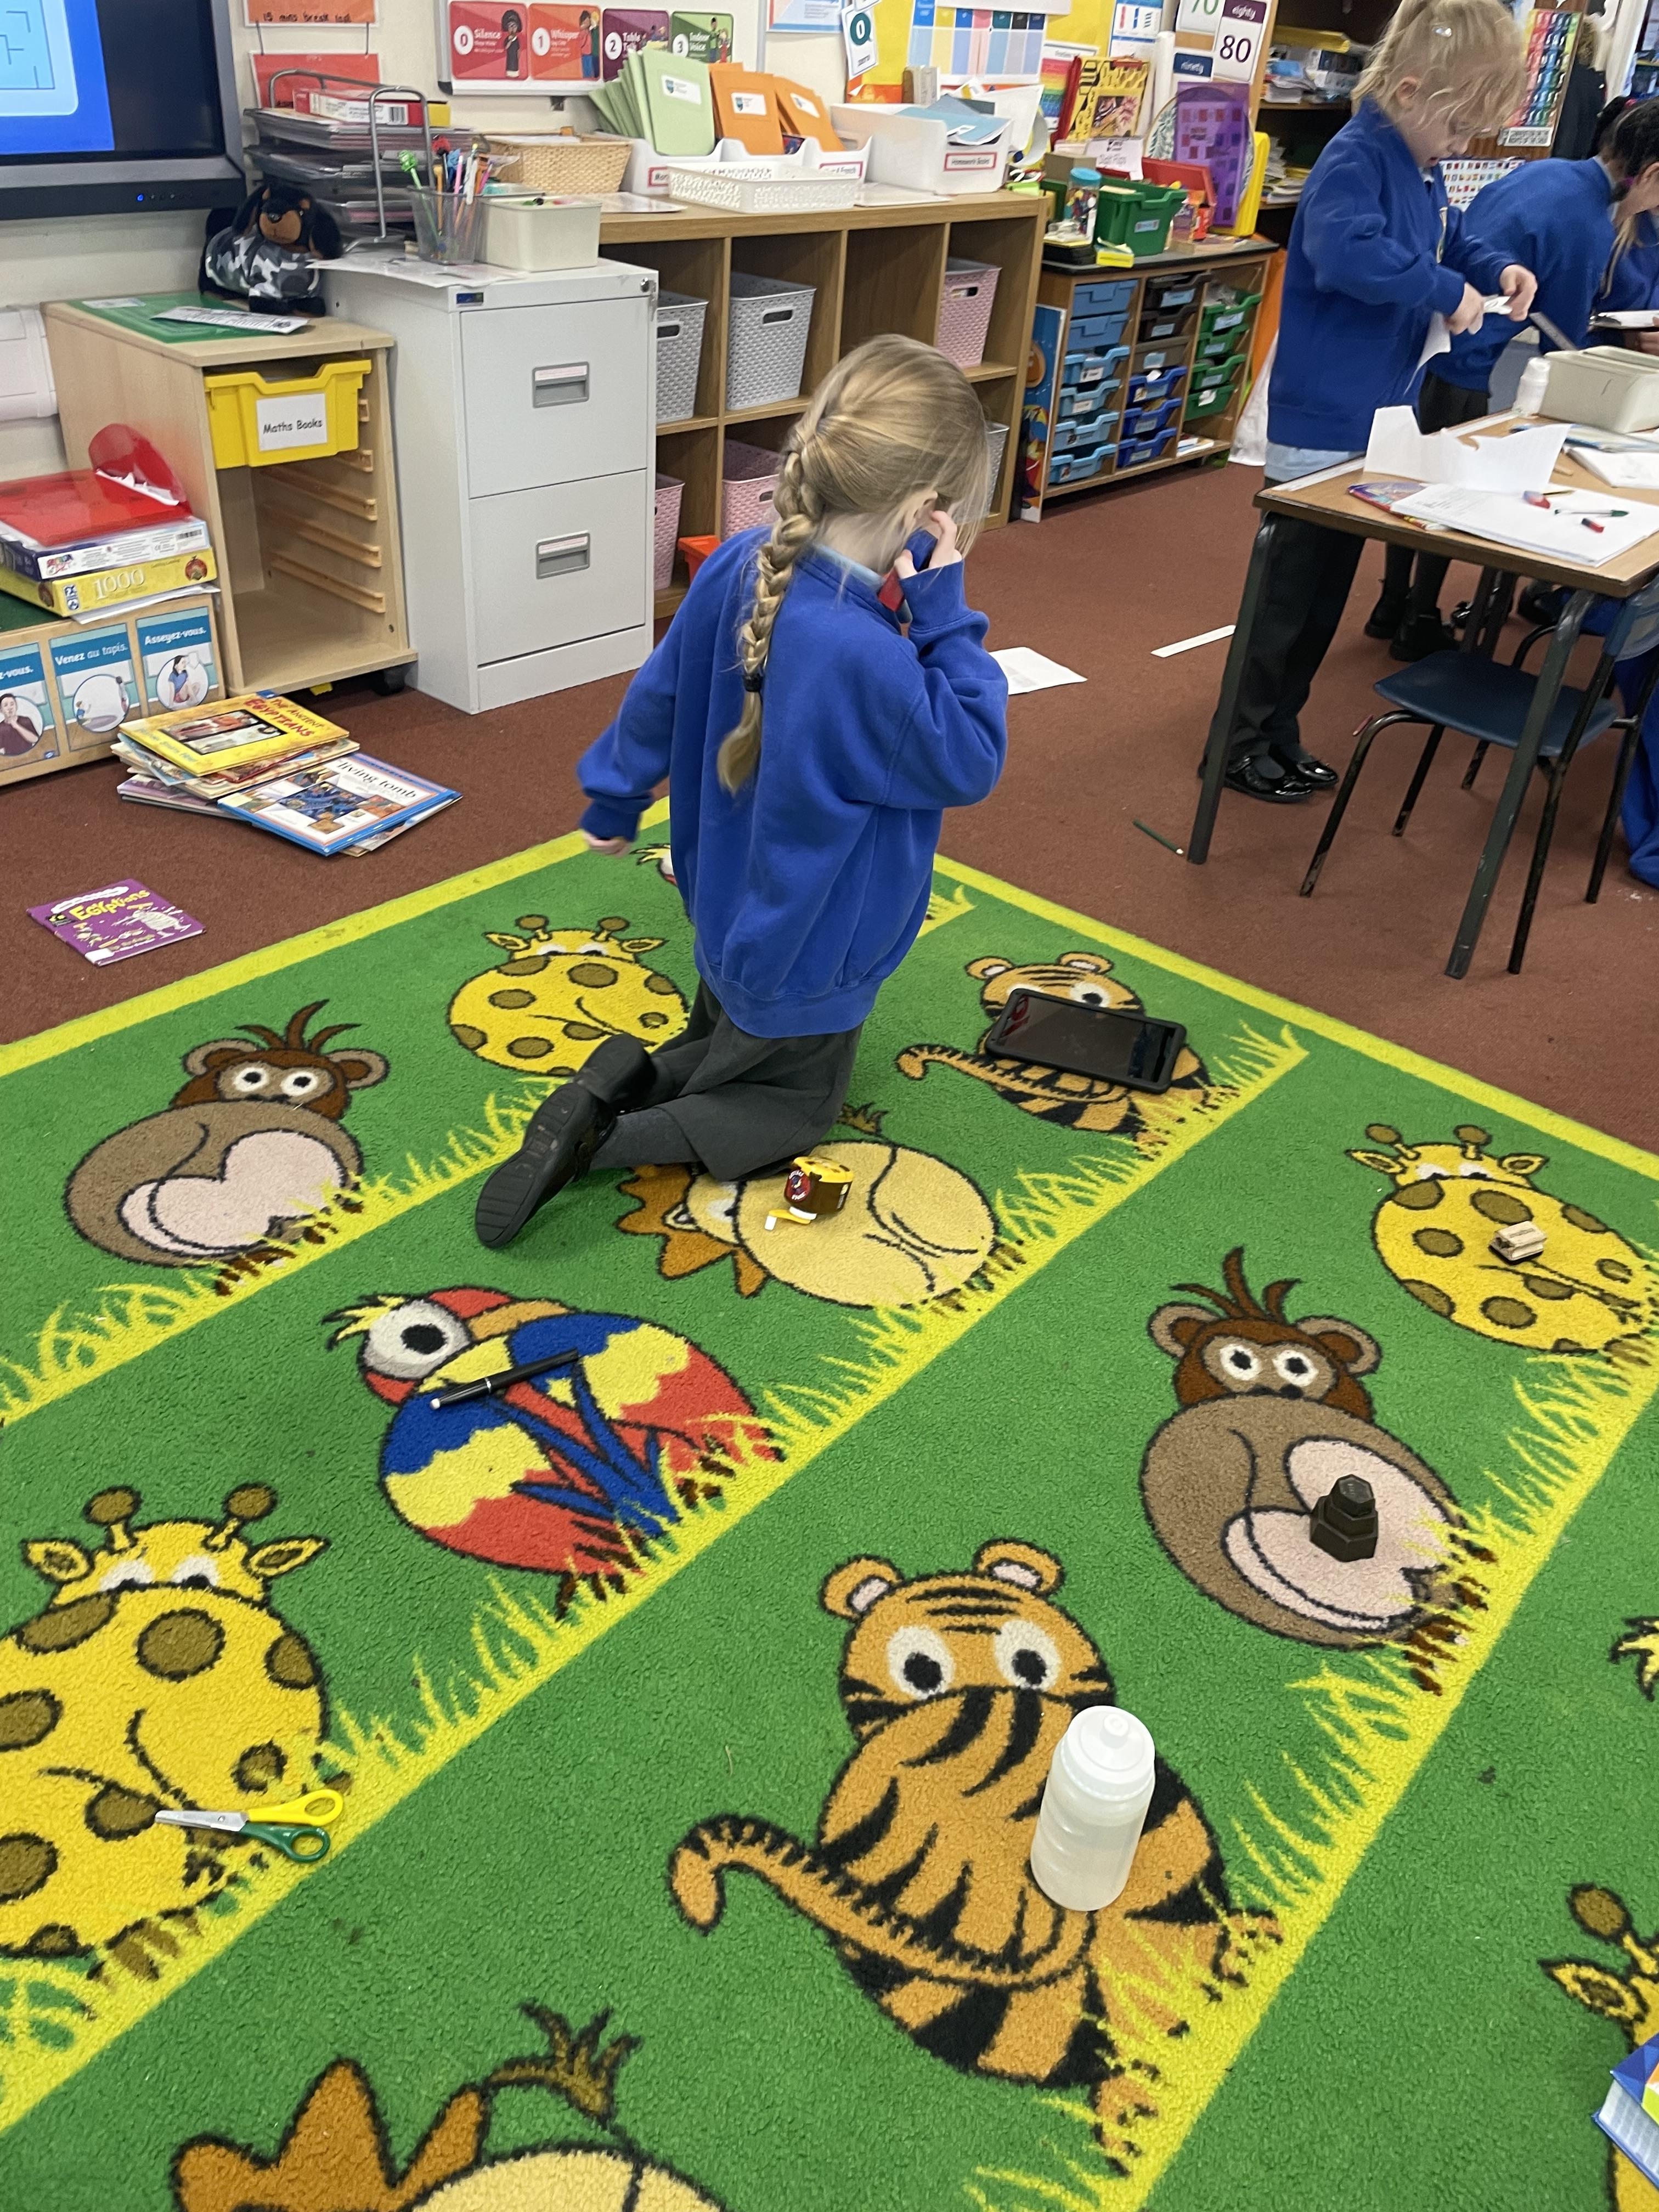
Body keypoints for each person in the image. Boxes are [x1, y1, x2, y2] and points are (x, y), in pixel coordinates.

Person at [473, 334, 1008, 1249]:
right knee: (791, 1106)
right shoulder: (871, 658)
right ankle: (605, 1140)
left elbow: (656, 695)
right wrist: (946, 613)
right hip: (810, 940)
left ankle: (615, 1083)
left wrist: (613, 796)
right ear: (926, 511)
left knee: (731, 1035)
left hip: (725, 902)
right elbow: (972, 756)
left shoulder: (740, 563)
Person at [1207, 0, 1533, 804]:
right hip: (1321, 420)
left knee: (1324, 600)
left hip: (1374, 420)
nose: (1460, 148)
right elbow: (1346, 251)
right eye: (1456, 129)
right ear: (1412, 90)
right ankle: (1238, 746)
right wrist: (1443, 289)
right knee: (1284, 604)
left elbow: (1448, 232)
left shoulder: (1420, 163)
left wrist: (1493, 268)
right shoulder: (1357, 156)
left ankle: (1279, 732)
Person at [1370, 95, 1659, 659]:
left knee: (1410, 472)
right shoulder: (1588, 225)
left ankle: (1391, 603)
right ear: (1650, 174)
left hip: (1420, 341)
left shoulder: (1550, 173)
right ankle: (1419, 618)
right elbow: (1565, 344)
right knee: (1450, 489)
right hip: (1464, 356)